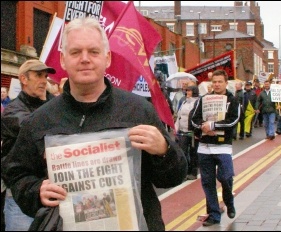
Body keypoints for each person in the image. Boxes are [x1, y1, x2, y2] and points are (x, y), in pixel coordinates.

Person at [1, 17, 187, 231]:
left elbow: (175, 175)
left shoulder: (138, 110)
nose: (85, 59)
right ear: (63, 60)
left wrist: (164, 151)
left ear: (107, 58)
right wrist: (35, 191)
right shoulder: (40, 120)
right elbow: (16, 173)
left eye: (94, 51)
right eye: (75, 52)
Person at [1, 59, 56, 231]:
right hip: (20, 194)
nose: (43, 81)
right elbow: (33, 128)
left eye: (45, 76)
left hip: (49, 192)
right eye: (38, 75)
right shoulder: (13, 110)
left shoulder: (50, 105)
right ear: (24, 79)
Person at [191, 69, 240, 226]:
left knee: (226, 177)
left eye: (220, 82)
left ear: (226, 83)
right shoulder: (203, 99)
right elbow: (193, 119)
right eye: (214, 82)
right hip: (205, 147)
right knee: (207, 182)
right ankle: (214, 215)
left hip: (223, 147)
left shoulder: (233, 100)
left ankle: (229, 201)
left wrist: (214, 125)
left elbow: (233, 120)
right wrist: (203, 127)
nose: (217, 84)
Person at [174, 85, 200, 180]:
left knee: (193, 153)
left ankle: (193, 172)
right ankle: (185, 171)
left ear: (194, 92)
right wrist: (176, 128)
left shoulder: (197, 102)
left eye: (189, 91)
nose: (187, 93)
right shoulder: (184, 101)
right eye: (187, 91)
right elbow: (179, 117)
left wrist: (197, 132)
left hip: (192, 132)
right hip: (182, 131)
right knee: (183, 152)